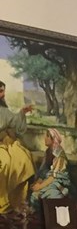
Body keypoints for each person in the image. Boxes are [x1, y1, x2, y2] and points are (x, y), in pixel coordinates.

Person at [0, 80, 35, 214]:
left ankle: (17, 201)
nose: (3, 94)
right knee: (5, 163)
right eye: (0, 91)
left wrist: (22, 113)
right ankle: (2, 202)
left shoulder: (4, 110)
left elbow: (14, 122)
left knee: (23, 159)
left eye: (3, 91)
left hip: (5, 143)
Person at [30, 127, 71, 206]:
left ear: (53, 139)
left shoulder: (59, 153)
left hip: (58, 181)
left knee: (49, 195)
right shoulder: (48, 151)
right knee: (34, 195)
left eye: (48, 136)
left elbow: (54, 176)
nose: (45, 138)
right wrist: (38, 182)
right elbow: (44, 170)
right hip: (48, 178)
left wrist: (40, 186)